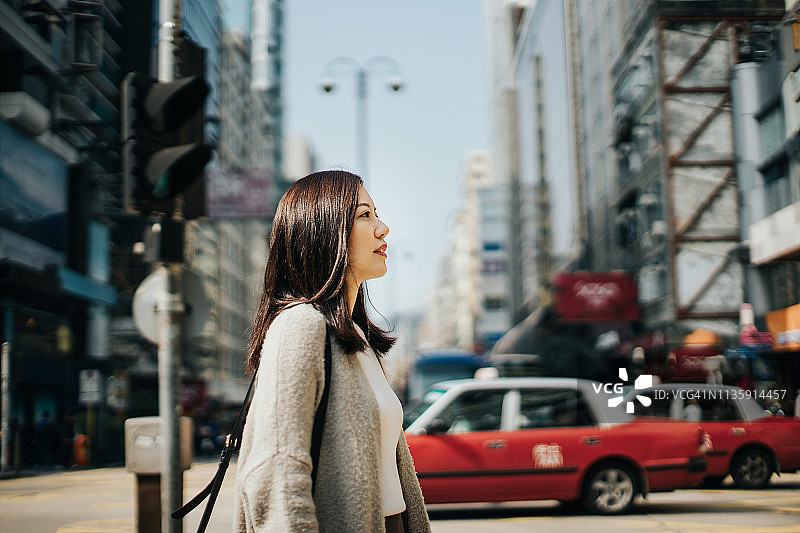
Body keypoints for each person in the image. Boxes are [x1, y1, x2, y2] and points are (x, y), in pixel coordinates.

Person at [232, 171, 430, 533]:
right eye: (364, 215)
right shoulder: (301, 327)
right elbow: (275, 473)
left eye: (376, 213)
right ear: (323, 232)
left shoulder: (357, 338)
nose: (383, 228)